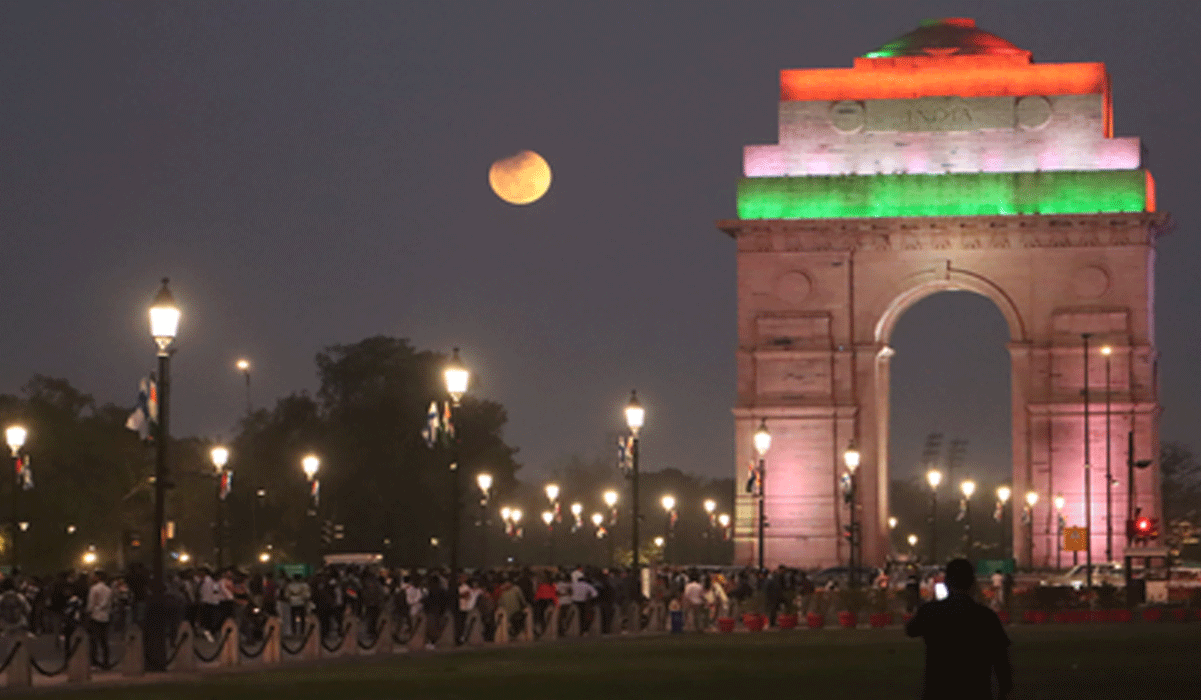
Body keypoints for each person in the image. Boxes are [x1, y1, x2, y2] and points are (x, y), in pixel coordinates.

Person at [905, 558, 1013, 700]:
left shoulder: (931, 611)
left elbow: (910, 630)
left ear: (947, 583)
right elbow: (1001, 660)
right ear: (972, 584)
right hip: (976, 690)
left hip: (938, 690)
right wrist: (1004, 691)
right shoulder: (985, 616)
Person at [86, 570, 113, 669]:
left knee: (93, 640)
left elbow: (91, 603)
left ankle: (94, 661)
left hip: (95, 615)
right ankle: (106, 661)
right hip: (105, 616)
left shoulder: (94, 589)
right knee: (104, 641)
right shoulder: (108, 589)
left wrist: (89, 611)